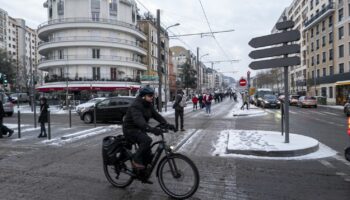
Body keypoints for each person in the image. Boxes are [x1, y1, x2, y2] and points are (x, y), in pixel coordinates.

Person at [123, 85, 175, 172]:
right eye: (150, 96)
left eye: (153, 95)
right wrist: (152, 129)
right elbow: (139, 122)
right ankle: (135, 159)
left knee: (148, 152)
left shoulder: (148, 105)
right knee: (147, 140)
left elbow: (156, 115)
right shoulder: (136, 106)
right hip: (130, 129)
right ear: (143, 96)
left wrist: (167, 125)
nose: (152, 97)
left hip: (139, 129)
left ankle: (142, 171)